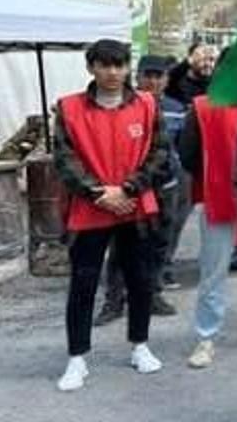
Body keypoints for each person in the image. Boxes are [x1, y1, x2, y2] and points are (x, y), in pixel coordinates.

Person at [54, 39, 170, 392]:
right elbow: (64, 159)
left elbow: (160, 153)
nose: (112, 73)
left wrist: (128, 190)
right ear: (91, 67)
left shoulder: (148, 105)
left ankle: (140, 345)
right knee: (83, 283)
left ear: (127, 68)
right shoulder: (69, 108)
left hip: (135, 206)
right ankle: (77, 358)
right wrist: (99, 194)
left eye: (119, 65)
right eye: (104, 65)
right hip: (91, 208)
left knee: (140, 279)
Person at [180, 88, 237, 369]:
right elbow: (188, 153)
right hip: (219, 198)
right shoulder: (203, 107)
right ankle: (206, 337)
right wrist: (216, 178)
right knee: (213, 271)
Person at [95, 55, 178, 326]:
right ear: (137, 76)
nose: (153, 81)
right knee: (121, 248)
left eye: (159, 75)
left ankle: (151, 294)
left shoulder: (176, 108)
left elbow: (184, 146)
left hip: (166, 188)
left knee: (158, 245)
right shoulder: (125, 106)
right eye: (148, 75)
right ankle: (114, 300)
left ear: (167, 78)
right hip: (132, 190)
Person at [157, 42, 218, 290]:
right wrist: (189, 61)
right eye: (202, 58)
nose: (207, 63)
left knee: (214, 218)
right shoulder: (176, 84)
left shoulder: (215, 85)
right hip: (183, 160)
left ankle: (230, 257)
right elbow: (170, 79)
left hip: (210, 160)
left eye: (212, 60)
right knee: (173, 217)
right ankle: (162, 267)